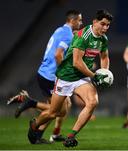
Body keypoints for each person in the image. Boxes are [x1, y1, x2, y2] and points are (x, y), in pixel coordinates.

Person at [27, 9, 113, 147]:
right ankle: (35, 124)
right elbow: (77, 63)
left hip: (82, 78)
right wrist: (95, 76)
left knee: (92, 102)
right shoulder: (82, 36)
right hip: (65, 77)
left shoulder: (103, 40)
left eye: (108, 25)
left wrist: (105, 73)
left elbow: (104, 57)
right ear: (95, 22)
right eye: (103, 24)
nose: (105, 28)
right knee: (54, 112)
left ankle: (70, 137)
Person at [7, 10, 82, 144]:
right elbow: (58, 55)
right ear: (73, 21)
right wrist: (63, 73)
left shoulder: (60, 30)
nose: (81, 23)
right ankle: (30, 103)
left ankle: (40, 135)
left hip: (44, 73)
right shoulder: (67, 35)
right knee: (60, 110)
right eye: (79, 20)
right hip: (51, 76)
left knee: (60, 107)